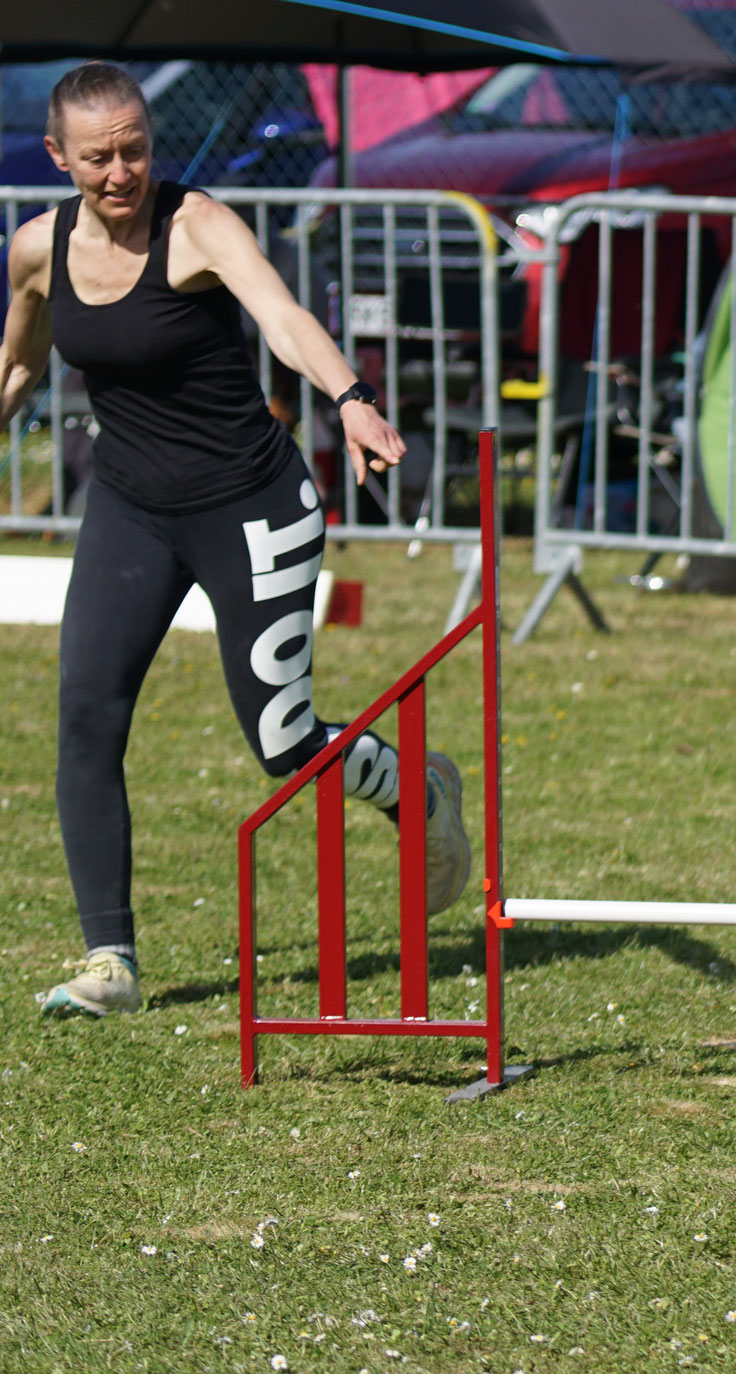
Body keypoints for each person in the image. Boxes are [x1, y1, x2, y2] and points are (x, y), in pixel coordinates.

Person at [0, 62, 472, 1018]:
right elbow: (18, 361)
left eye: (135, 147)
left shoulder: (199, 225)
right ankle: (110, 962)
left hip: (253, 504)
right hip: (130, 509)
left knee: (281, 738)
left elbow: (288, 319)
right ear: (59, 157)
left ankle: (417, 788)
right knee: (87, 722)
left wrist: (352, 400)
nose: (122, 171)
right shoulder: (37, 250)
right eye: (98, 157)